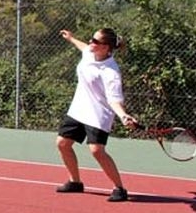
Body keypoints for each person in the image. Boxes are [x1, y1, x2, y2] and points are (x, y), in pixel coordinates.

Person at [55, 28, 137, 202]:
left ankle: (119, 188)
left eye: (95, 41)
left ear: (106, 47)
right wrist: (71, 38)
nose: (91, 42)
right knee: (62, 143)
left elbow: (114, 100)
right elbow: (84, 46)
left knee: (96, 150)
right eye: (91, 39)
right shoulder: (90, 52)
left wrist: (123, 115)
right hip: (78, 109)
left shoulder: (111, 72)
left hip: (99, 113)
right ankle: (75, 182)